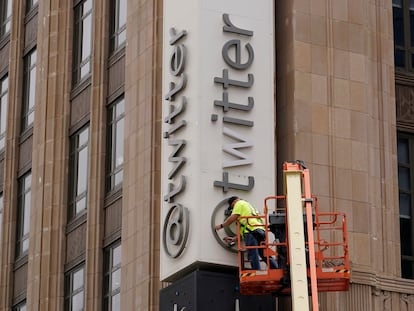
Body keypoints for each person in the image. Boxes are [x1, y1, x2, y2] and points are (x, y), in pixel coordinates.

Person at [215, 196, 278, 270]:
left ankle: (256, 272)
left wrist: (221, 226)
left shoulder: (239, 203)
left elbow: (233, 217)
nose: (233, 209)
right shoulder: (250, 206)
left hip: (251, 231)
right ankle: (276, 268)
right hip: (260, 230)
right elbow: (245, 228)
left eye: (232, 207)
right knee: (263, 253)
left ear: (234, 202)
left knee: (252, 253)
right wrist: (233, 239)